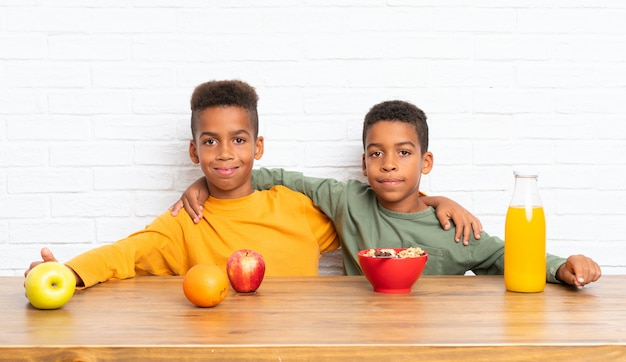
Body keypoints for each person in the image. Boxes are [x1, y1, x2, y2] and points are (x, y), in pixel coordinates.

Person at [174, 100, 602, 288]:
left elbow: (508, 257)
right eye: (376, 153)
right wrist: (207, 181)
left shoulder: (452, 227)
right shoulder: (347, 201)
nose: (389, 164)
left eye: (404, 152)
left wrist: (563, 267)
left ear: (426, 163)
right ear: (364, 164)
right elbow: (277, 176)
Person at [25, 80, 343, 288]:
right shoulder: (185, 220)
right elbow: (122, 254)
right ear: (194, 151)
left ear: (257, 147)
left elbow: (363, 222)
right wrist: (68, 273)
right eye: (210, 142)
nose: (225, 153)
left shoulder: (295, 207)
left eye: (238, 139)